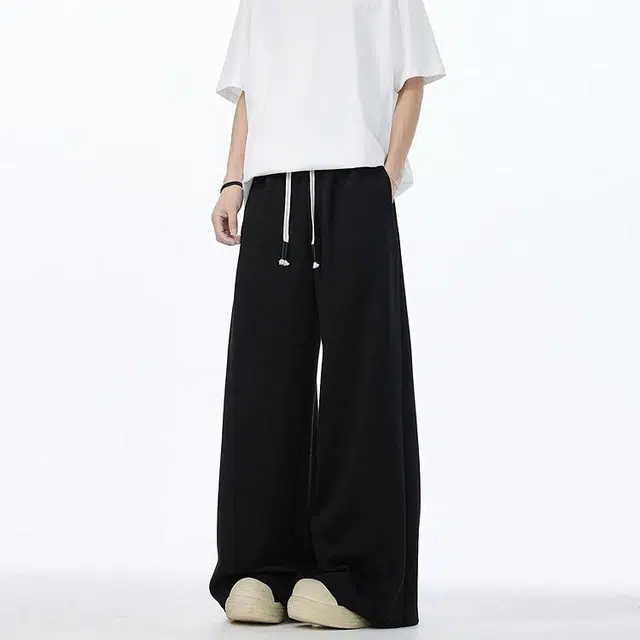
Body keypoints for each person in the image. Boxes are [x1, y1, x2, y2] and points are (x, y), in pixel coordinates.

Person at [208, 0, 445, 629]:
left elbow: (411, 77)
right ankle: (260, 566)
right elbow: (250, 92)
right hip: (273, 191)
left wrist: (384, 177)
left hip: (356, 185)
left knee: (361, 381)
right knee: (264, 380)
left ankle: (355, 575)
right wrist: (232, 181)